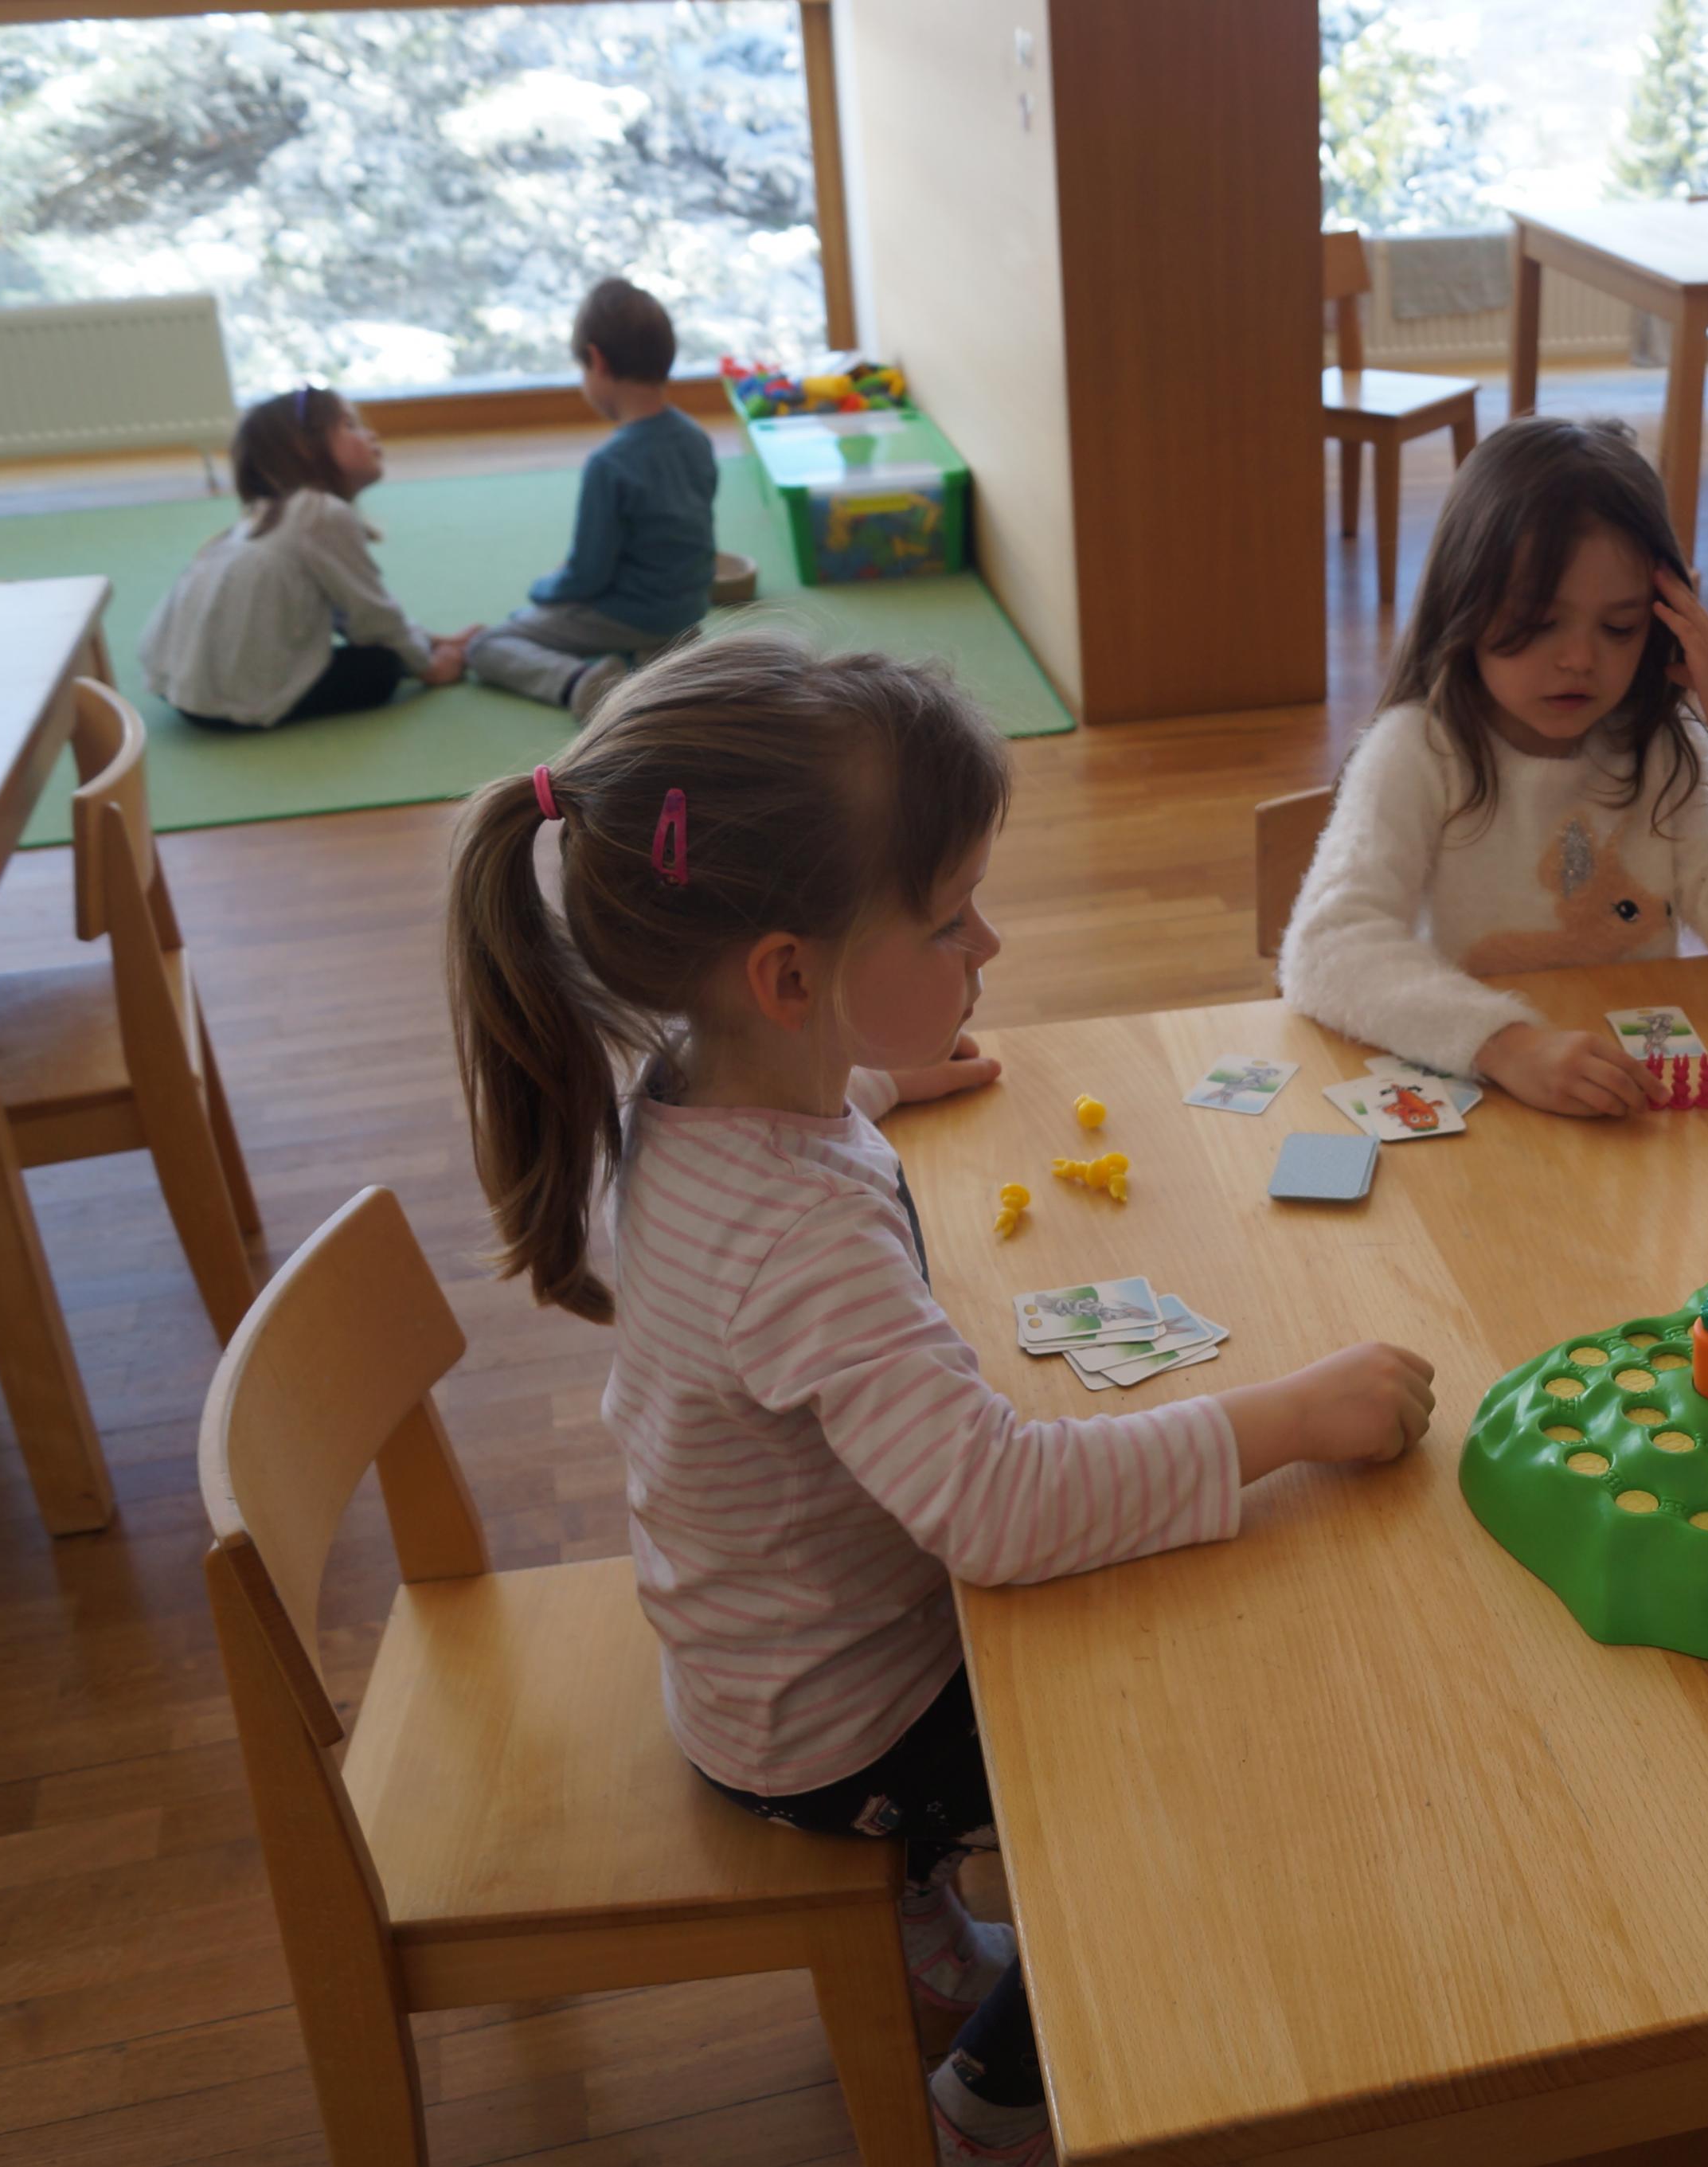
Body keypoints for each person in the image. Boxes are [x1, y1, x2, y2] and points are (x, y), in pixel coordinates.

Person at [444, 632, 1435, 2165]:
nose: (991, 942)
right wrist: (1290, 1418)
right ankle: (1000, 2092)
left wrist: (878, 1076)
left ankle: (920, 1923)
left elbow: (796, 1156)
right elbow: (1002, 1509)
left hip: (757, 1646)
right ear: (792, 977)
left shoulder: (705, 1087)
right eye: (949, 919)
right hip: (834, 1729)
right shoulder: (795, 1235)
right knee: (1197, 1725)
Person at [1276, 416, 1708, 1116]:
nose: (1579, 660)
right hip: (1483, 1093)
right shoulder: (1416, 750)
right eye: (1538, 622)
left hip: (1623, 1103)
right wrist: (1508, 1047)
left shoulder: (1665, 747)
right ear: (1462, 603)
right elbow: (1325, 949)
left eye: (1620, 626)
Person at [138, 385, 479, 730]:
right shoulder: (320, 513)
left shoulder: (264, 514)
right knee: (381, 665)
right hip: (231, 703)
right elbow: (370, 614)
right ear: (304, 447)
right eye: (350, 425)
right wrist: (429, 666)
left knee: (376, 644)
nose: (370, 435)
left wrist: (429, 640)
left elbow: (349, 609)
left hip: (183, 690)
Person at [466, 276, 721, 717]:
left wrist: (544, 588)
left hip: (627, 614)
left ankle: (583, 684)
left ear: (597, 361)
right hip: (686, 612)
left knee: (488, 644)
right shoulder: (696, 437)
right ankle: (656, 655)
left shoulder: (610, 464)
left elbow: (587, 576)